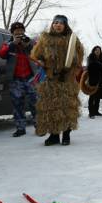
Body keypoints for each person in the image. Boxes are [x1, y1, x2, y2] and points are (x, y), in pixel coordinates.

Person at [31, 15, 84, 146]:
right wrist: (44, 64)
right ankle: (54, 135)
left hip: (67, 80)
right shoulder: (45, 39)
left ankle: (66, 134)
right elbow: (36, 56)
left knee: (67, 108)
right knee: (52, 109)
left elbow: (78, 58)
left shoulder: (73, 40)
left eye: (61, 23)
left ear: (65, 25)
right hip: (51, 80)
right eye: (55, 23)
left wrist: (68, 70)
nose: (57, 25)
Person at [0, 21, 37, 137]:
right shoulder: (8, 43)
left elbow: (38, 52)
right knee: (17, 104)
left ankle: (39, 126)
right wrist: (13, 44)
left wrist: (27, 45)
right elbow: (1, 54)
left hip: (30, 78)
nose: (19, 32)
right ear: (12, 32)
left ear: (24, 31)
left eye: (21, 30)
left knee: (35, 103)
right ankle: (20, 128)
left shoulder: (30, 42)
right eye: (16, 31)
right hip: (16, 79)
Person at [82, 45, 102, 118]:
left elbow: (101, 68)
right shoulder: (91, 58)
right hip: (92, 79)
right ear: (93, 51)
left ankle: (96, 111)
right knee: (92, 95)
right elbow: (92, 65)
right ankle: (91, 113)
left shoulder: (100, 59)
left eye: (99, 50)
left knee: (97, 96)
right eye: (96, 50)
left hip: (99, 79)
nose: (98, 51)